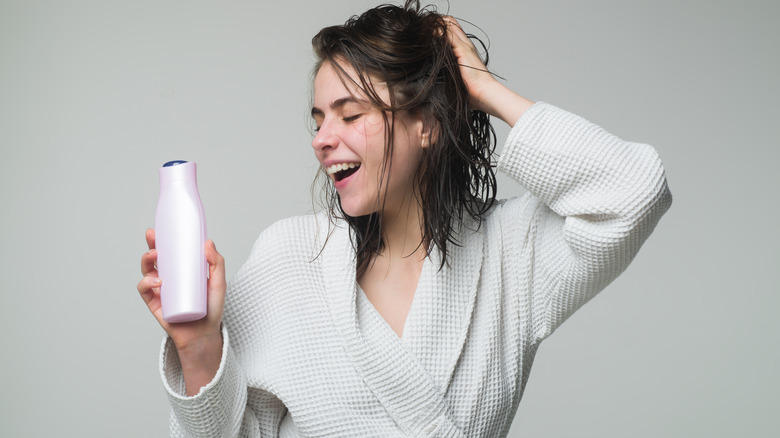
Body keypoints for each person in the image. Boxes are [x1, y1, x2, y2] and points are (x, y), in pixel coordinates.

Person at [137, 1, 672, 436]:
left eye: (351, 114)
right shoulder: (289, 258)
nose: (322, 138)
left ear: (428, 125)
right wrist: (199, 346)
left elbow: (634, 191)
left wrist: (483, 90)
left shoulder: (513, 252)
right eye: (319, 119)